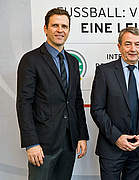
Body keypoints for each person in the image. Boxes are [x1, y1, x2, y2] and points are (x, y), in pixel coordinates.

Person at [16, 8, 89, 180]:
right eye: (55, 25)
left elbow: (76, 100)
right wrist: (31, 143)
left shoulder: (72, 61)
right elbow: (24, 103)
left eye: (64, 26)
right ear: (45, 29)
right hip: (43, 144)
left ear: (69, 30)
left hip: (69, 141)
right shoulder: (31, 60)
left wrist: (81, 135)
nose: (60, 30)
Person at [90, 27, 139, 180]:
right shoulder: (104, 71)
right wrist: (117, 137)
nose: (133, 49)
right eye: (128, 44)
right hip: (111, 147)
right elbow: (97, 109)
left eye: (137, 44)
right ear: (119, 47)